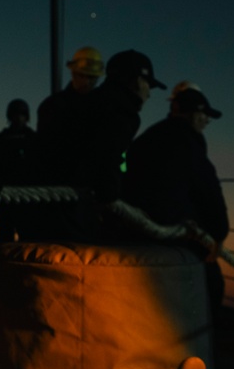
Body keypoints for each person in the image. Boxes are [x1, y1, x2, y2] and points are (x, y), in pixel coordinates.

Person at [21, 48, 164, 243]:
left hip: (42, 205)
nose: (149, 93)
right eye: (149, 85)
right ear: (138, 81)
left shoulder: (86, 104)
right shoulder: (120, 112)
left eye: (92, 78)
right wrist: (113, 197)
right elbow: (105, 158)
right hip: (65, 208)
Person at [118, 87, 230, 313]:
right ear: (193, 115)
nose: (207, 120)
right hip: (174, 232)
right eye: (204, 115)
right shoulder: (190, 144)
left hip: (135, 230)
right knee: (212, 283)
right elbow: (208, 190)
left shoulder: (147, 138)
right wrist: (218, 234)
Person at [0, 98, 37, 242]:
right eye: (16, 115)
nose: (19, 118)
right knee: (7, 234)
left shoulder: (32, 138)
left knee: (27, 233)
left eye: (22, 115)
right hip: (7, 193)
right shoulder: (4, 138)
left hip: (28, 194)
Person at [36, 45, 104, 133]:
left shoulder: (104, 105)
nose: (87, 82)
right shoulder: (52, 106)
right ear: (73, 73)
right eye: (82, 75)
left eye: (92, 77)